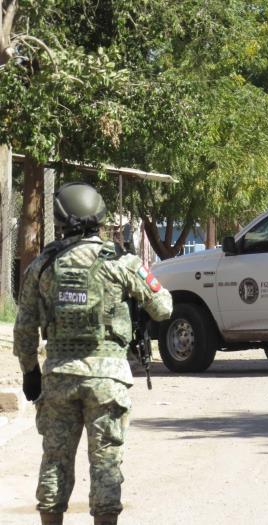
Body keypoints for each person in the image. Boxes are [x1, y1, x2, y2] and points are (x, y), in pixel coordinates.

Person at [13, 182, 173, 525]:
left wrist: (29, 373)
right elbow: (163, 307)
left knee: (55, 461)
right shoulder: (121, 262)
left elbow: (24, 328)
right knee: (105, 465)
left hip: (58, 379)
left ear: (61, 221)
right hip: (108, 380)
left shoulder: (42, 266)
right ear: (100, 217)